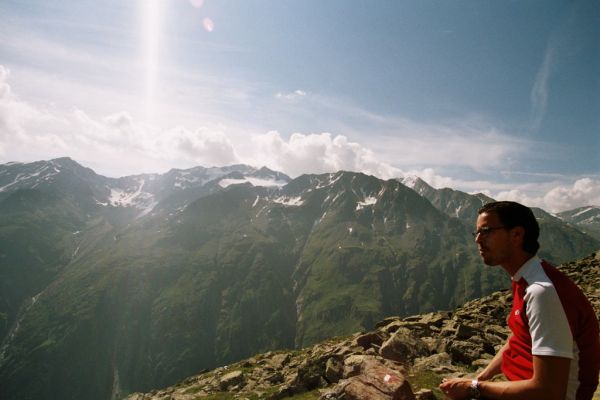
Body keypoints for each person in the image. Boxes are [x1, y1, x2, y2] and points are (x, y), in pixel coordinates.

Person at [439, 201, 600, 400]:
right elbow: (519, 338)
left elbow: (549, 391)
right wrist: (480, 377)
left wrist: (475, 388)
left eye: (486, 231)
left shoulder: (542, 292)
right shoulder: (526, 278)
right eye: (477, 233)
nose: (478, 240)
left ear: (516, 234)